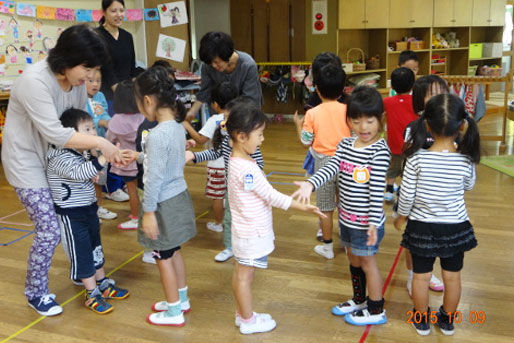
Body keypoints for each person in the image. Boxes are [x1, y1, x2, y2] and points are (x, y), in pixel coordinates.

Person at [1, 24, 122, 316]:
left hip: (60, 162)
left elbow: (77, 125)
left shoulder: (77, 84)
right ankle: (36, 292)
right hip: (27, 163)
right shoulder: (34, 81)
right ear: (67, 59)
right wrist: (100, 145)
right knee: (50, 230)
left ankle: (92, 281)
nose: (90, 76)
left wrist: (97, 154)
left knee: (83, 223)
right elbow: (57, 134)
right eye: (87, 67)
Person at [293, 86, 390, 326]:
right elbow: (330, 167)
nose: (363, 128)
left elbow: (377, 191)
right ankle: (359, 300)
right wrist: (310, 184)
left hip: (367, 224)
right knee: (354, 261)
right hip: (347, 220)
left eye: (370, 121)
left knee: (368, 263)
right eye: (356, 121)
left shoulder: (379, 152)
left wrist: (371, 223)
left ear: (381, 120)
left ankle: (376, 308)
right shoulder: (346, 145)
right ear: (348, 121)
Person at [226, 101, 324, 334]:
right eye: (259, 135)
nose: (262, 140)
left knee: (241, 273)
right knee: (244, 276)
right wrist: (305, 208)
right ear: (241, 136)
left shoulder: (237, 160)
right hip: (251, 232)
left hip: (244, 230)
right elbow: (272, 196)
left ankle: (243, 314)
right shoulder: (247, 168)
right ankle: (248, 322)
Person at [394, 94, 479, 336]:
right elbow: (469, 186)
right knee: (452, 278)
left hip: (421, 227)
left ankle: (421, 320)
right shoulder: (466, 158)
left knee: (421, 278)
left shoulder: (416, 158)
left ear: (427, 125)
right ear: (462, 125)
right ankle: (447, 321)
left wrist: (401, 217)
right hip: (455, 227)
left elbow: (407, 196)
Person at [47, 109, 129, 314]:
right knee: (82, 253)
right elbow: (78, 172)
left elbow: (93, 176)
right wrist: (102, 160)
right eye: (87, 129)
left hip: (89, 208)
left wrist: (100, 161)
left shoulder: (81, 152)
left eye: (93, 128)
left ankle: (102, 282)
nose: (93, 133)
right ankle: (91, 292)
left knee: (95, 248)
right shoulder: (58, 155)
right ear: (71, 134)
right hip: (72, 214)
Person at [132, 66, 197, 326]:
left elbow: (155, 178)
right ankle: (181, 299)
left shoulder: (157, 134)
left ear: (148, 100)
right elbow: (166, 163)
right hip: (178, 196)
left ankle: (173, 312)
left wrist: (148, 213)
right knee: (174, 251)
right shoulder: (176, 128)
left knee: (162, 257)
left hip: (161, 204)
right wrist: (138, 156)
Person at [185, 97, 264, 263]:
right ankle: (229, 247)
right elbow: (215, 153)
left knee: (247, 220)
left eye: (228, 119)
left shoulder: (250, 146)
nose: (224, 122)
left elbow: (258, 169)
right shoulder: (226, 138)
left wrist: (249, 189)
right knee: (229, 219)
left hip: (248, 193)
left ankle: (251, 245)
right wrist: (194, 156)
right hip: (232, 189)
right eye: (225, 118)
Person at [399, 74, 450, 297]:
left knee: (440, 239)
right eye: (432, 94)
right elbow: (409, 166)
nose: (438, 97)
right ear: (420, 100)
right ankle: (415, 275)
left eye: (442, 92)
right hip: (417, 197)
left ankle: (429, 272)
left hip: (442, 198)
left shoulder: (453, 126)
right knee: (414, 241)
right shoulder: (414, 129)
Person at [293, 62, 351, 259]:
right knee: (346, 203)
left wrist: (297, 126)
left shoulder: (312, 113)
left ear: (317, 90)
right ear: (343, 88)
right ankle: (347, 239)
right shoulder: (349, 109)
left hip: (323, 165)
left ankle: (327, 247)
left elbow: (305, 143)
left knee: (325, 208)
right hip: (347, 163)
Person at [183, 82, 238, 232]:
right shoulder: (238, 117)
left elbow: (202, 139)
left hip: (216, 166)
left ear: (214, 104)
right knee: (231, 195)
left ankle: (219, 223)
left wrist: (186, 125)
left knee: (217, 197)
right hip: (233, 165)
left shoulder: (215, 119)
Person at [186, 31, 262, 120]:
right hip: (219, 115)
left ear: (225, 54)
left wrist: (228, 115)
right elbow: (205, 91)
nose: (213, 66)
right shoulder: (207, 66)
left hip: (244, 114)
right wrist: (192, 112)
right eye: (210, 63)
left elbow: (250, 100)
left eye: (216, 62)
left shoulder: (248, 65)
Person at [106, 80, 145, 230]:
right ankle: (151, 215)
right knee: (147, 189)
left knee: (132, 190)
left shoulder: (116, 120)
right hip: (144, 158)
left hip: (127, 161)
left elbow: (110, 140)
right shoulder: (144, 117)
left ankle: (135, 218)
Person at [85, 68, 118, 220]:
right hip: (85, 145)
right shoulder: (79, 98)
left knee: (99, 178)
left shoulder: (100, 96)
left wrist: (109, 122)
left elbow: (104, 113)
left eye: (98, 81)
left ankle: (98, 207)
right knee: (86, 180)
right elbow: (86, 120)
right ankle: (88, 210)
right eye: (90, 81)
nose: (95, 84)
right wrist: (102, 121)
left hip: (100, 144)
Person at [383, 67, 417, 203]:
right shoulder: (416, 101)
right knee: (408, 171)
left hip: (393, 144)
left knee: (392, 168)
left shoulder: (387, 102)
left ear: (392, 86)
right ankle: (404, 191)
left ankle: (389, 190)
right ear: (413, 85)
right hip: (412, 144)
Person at [97, 0, 136, 114]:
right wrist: (121, 95)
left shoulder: (127, 36)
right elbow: (106, 69)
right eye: (113, 11)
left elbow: (132, 68)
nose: (119, 15)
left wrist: (133, 94)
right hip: (107, 97)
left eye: (121, 10)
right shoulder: (97, 35)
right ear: (104, 12)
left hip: (127, 95)